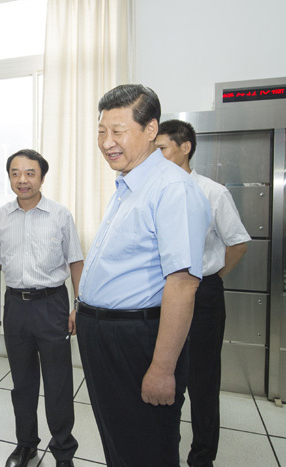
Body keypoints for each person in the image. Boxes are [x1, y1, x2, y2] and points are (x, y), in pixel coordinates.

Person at [75, 84, 211, 467]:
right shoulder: (130, 183)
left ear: (151, 129)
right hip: (105, 334)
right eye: (102, 131)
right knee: (120, 441)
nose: (107, 142)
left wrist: (163, 368)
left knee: (146, 447)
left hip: (138, 340)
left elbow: (183, 284)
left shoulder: (172, 188)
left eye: (118, 131)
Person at [0, 149, 83, 467]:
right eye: (15, 173)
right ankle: (26, 445)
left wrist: (77, 305)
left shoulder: (60, 215)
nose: (22, 179)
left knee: (58, 382)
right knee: (22, 382)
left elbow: (76, 262)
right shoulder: (1, 217)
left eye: (29, 173)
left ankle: (63, 450)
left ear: (42, 177)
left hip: (52, 305)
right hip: (16, 307)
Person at [156, 119, 250, 467]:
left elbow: (238, 243)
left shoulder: (212, 192)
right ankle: (165, 451)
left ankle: (201, 458)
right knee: (165, 373)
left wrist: (208, 278)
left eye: (162, 148)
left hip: (202, 294)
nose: (156, 156)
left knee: (203, 381)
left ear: (185, 148)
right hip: (161, 293)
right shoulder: (154, 192)